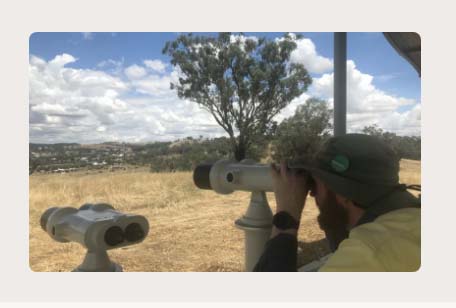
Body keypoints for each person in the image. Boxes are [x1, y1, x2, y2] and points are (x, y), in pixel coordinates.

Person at [253, 133, 421, 272]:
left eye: (315, 183)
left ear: (343, 192)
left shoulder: (367, 255)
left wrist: (286, 215)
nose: (311, 193)